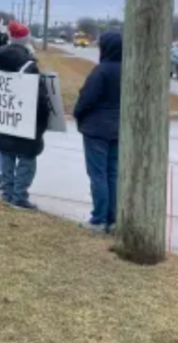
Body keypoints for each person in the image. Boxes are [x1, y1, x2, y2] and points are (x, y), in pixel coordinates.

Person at [0, 22, 49, 210]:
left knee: (7, 156)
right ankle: (19, 197)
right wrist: (43, 123)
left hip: (6, 119)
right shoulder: (29, 66)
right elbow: (41, 100)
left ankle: (7, 193)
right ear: (26, 39)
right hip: (27, 122)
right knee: (26, 160)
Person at [74, 31, 123, 234]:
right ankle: (112, 219)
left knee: (98, 174)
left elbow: (87, 98)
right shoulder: (127, 70)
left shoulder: (101, 71)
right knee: (112, 174)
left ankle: (99, 219)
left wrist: (78, 114)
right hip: (118, 128)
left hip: (96, 129)